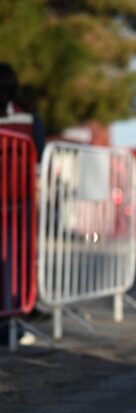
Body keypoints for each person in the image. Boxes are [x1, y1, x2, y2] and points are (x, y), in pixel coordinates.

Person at [0, 62, 45, 346]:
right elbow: (40, 154)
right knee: (16, 262)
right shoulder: (28, 115)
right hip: (19, 198)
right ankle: (13, 323)